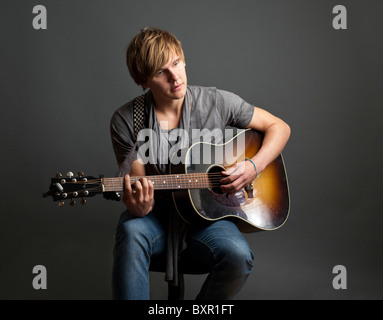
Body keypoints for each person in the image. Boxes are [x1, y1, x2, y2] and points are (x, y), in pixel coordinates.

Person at [110, 27, 290, 300]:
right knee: (131, 230)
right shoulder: (126, 120)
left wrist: (254, 166)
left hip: (208, 219)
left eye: (176, 63)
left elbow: (279, 127)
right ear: (143, 80)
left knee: (239, 255)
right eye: (160, 72)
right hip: (157, 219)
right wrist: (139, 206)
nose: (175, 76)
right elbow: (137, 185)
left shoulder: (217, 102)